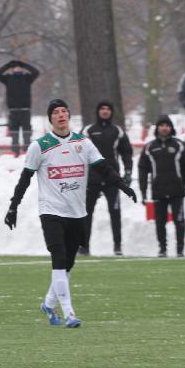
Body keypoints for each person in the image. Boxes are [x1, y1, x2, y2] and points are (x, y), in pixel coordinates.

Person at [3, 99, 137, 327]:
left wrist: (123, 186)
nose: (61, 115)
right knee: (59, 259)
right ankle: (69, 313)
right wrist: (13, 206)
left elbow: (103, 168)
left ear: (69, 116)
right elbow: (25, 179)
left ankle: (48, 303)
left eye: (64, 111)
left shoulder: (83, 143)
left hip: (77, 212)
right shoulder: (40, 146)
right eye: (56, 112)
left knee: (68, 264)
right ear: (50, 118)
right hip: (51, 211)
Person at [80, 101, 133, 256]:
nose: (105, 111)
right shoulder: (88, 130)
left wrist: (128, 171)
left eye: (108, 109)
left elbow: (126, 153)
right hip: (92, 179)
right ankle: (84, 246)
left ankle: (117, 246)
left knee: (115, 212)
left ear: (112, 112)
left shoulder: (118, 131)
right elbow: (77, 152)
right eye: (102, 108)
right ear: (97, 111)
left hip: (112, 179)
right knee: (86, 213)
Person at [139, 115, 185, 257]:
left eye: (167, 125)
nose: (164, 128)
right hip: (158, 191)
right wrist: (143, 191)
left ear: (171, 128)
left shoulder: (179, 146)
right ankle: (162, 249)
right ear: (157, 128)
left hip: (177, 191)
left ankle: (180, 249)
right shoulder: (150, 147)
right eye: (161, 125)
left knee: (179, 221)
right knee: (160, 223)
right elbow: (143, 170)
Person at [0, 59, 40, 155]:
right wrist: (8, 65)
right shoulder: (8, 78)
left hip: (25, 109)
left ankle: (27, 151)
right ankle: (15, 152)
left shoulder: (27, 78)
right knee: (14, 132)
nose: (17, 69)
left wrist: (24, 64)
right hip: (13, 110)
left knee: (27, 131)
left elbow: (36, 72)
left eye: (19, 67)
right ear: (12, 69)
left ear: (22, 69)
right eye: (15, 68)